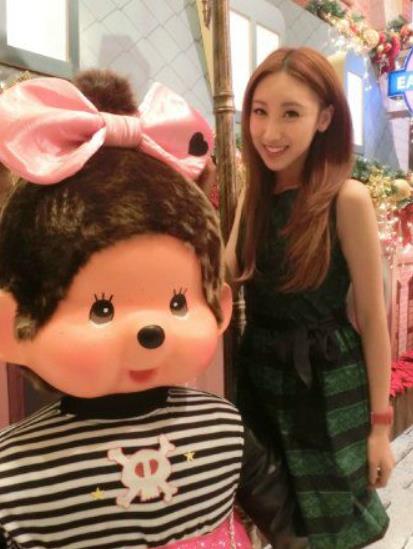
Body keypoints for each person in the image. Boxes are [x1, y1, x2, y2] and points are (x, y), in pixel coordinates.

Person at [0, 69, 294, 548]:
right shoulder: (14, 472)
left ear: (218, 308)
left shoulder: (223, 426)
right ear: (11, 326)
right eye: (101, 310)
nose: (151, 328)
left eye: (178, 302)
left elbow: (278, 513)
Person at [226, 47, 394, 549]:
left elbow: (373, 319)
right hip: (260, 379)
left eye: (290, 114)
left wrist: (380, 428)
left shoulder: (347, 199)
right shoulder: (255, 195)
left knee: (335, 523)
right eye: (259, 112)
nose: (269, 132)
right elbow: (223, 276)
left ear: (324, 119)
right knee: (276, 520)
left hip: (327, 381)